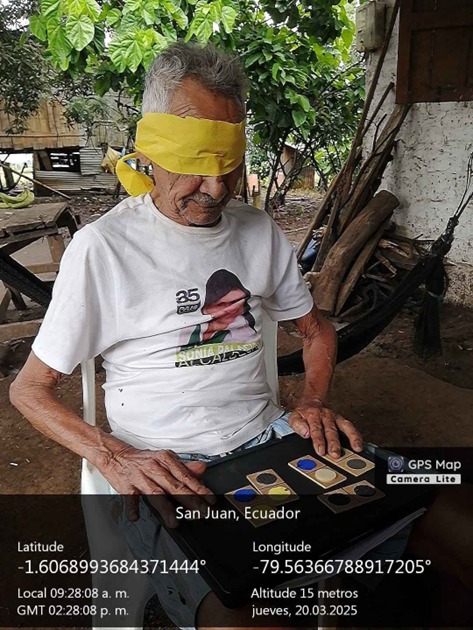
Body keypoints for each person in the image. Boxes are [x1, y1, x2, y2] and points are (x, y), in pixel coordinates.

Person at [9, 42, 365, 629]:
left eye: (228, 164)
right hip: (172, 466)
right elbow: (28, 389)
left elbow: (315, 329)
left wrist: (313, 401)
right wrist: (113, 456)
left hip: (268, 439)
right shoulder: (104, 249)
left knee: (419, 517)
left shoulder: (258, 231)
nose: (215, 187)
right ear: (150, 150)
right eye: (195, 161)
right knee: (246, 610)